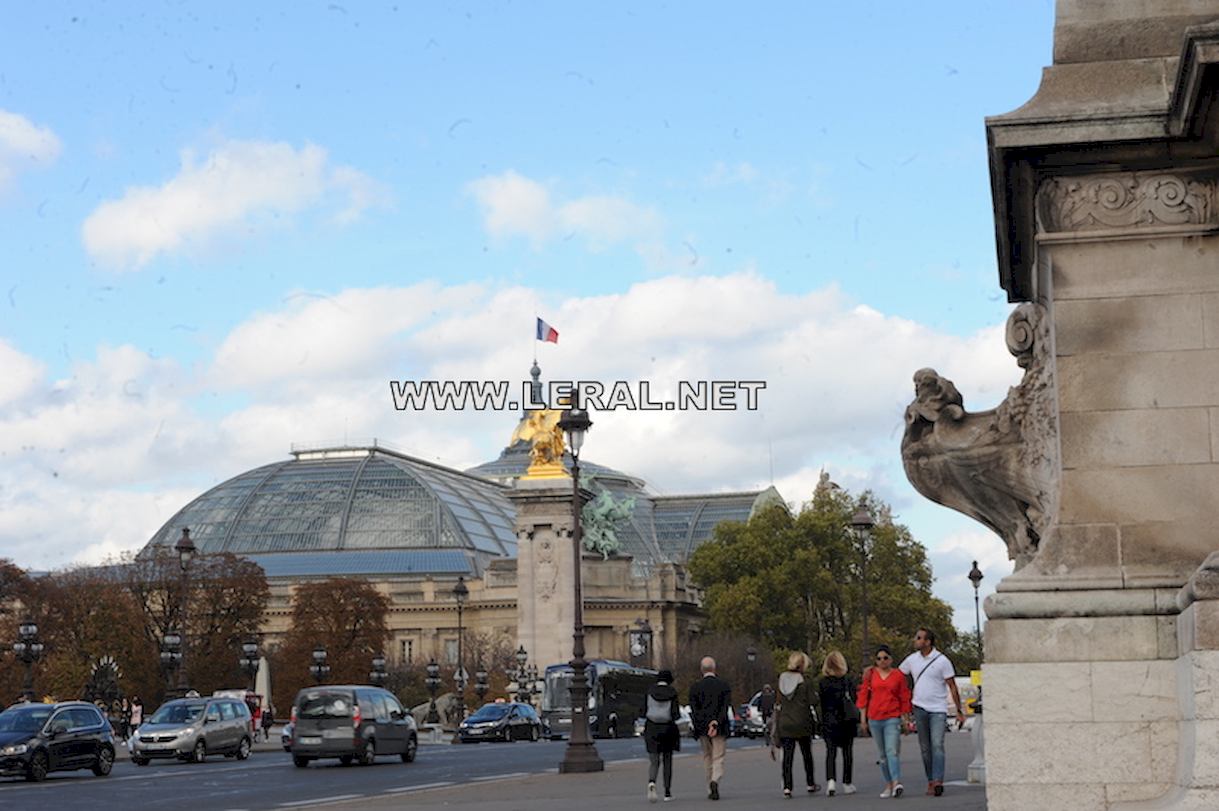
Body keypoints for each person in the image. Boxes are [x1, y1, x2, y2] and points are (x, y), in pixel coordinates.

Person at [898, 627, 966, 797]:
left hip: (938, 709)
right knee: (925, 748)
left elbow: (952, 686)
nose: (916, 640)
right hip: (919, 707)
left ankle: (937, 781)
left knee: (937, 745)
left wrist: (959, 711)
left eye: (919, 638)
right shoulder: (912, 660)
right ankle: (930, 779)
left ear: (927, 642)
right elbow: (897, 676)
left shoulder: (942, 661)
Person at [857, 644, 912, 799]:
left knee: (891, 751)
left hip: (892, 717)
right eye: (879, 658)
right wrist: (863, 719)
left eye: (885, 658)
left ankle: (896, 782)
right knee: (882, 755)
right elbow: (863, 696)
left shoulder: (898, 675)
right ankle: (888, 783)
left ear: (891, 659)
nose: (882, 661)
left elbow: (904, 696)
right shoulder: (870, 675)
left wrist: (905, 719)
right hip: (875, 717)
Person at [774, 652, 819, 798]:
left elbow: (779, 702)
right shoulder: (805, 681)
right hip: (802, 721)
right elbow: (813, 701)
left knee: (788, 757)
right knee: (807, 754)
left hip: (785, 722)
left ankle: (787, 787)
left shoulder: (782, 680)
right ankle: (810, 783)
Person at [688, 655, 732, 800]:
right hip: (719, 727)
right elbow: (724, 708)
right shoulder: (724, 686)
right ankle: (715, 779)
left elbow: (695, 710)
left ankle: (709, 786)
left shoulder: (695, 688)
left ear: (702, 670)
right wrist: (715, 722)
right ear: (714, 668)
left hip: (702, 728)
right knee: (718, 756)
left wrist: (704, 724)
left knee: (707, 756)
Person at [817, 650, 858, 797]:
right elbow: (854, 699)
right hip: (846, 720)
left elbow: (820, 704)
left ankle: (831, 781)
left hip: (829, 720)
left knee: (830, 752)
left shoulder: (822, 683)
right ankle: (847, 783)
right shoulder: (848, 681)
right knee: (847, 753)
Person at [644, 669, 681, 803]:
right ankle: (667, 791)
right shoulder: (672, 693)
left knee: (654, 760)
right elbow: (676, 714)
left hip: (652, 727)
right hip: (667, 728)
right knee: (667, 760)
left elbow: (643, 710)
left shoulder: (650, 691)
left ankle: (651, 781)